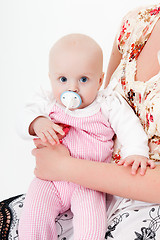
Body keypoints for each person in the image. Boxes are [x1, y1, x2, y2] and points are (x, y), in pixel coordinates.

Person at [30, 3, 160, 240]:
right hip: (73, 180)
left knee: (90, 228)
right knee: (31, 220)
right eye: (63, 79)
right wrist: (37, 122)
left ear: (96, 80)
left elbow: (125, 122)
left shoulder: (108, 103)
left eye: (83, 79)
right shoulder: (135, 21)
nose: (73, 88)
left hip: (112, 192)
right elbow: (26, 116)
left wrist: (64, 167)